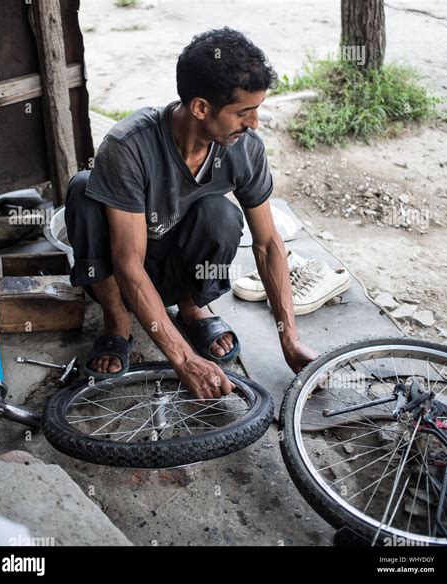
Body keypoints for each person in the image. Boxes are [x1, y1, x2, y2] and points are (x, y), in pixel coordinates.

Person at [65, 27, 318, 401]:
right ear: (200, 108)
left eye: (257, 110)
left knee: (220, 214)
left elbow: (266, 243)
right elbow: (127, 263)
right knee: (83, 189)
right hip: (124, 271)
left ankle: (192, 308)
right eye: (244, 112)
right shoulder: (128, 146)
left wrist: (290, 338)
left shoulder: (245, 148)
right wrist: (182, 359)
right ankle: (117, 324)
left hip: (180, 265)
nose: (254, 124)